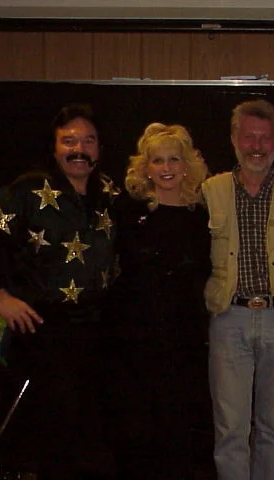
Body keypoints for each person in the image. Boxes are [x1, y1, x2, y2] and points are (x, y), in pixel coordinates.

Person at [0, 103, 121, 480]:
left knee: (94, 432)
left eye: (88, 140)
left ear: (100, 147)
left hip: (100, 328)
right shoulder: (28, 190)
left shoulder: (110, 191)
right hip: (46, 327)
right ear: (54, 146)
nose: (79, 149)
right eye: (69, 140)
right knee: (53, 431)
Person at [202, 99, 274, 480]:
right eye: (249, 137)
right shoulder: (209, 189)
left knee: (273, 428)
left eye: (265, 138)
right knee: (230, 430)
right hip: (229, 319)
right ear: (234, 140)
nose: (257, 146)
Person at [107, 122, 211, 479]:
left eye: (174, 160)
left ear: (187, 165)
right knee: (137, 425)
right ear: (145, 167)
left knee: (179, 424)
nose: (166, 168)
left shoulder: (203, 213)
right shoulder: (126, 209)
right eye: (157, 161)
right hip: (135, 332)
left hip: (184, 334)